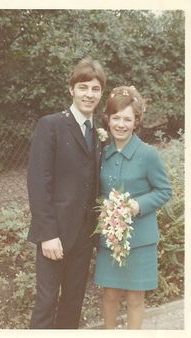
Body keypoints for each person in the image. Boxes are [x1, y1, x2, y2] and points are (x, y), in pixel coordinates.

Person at [27, 57, 106, 329]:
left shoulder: (98, 132)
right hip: (55, 235)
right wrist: (47, 233)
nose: (89, 94)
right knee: (46, 303)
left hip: (83, 237)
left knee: (73, 304)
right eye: (83, 87)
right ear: (71, 89)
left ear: (101, 93)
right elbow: (38, 183)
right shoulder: (51, 125)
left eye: (95, 89)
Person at [94, 85, 172, 329]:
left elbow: (164, 191)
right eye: (116, 118)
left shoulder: (148, 154)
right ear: (107, 119)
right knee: (109, 295)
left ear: (136, 122)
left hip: (140, 240)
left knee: (136, 298)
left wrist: (138, 205)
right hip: (109, 238)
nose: (120, 124)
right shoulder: (100, 152)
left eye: (127, 119)